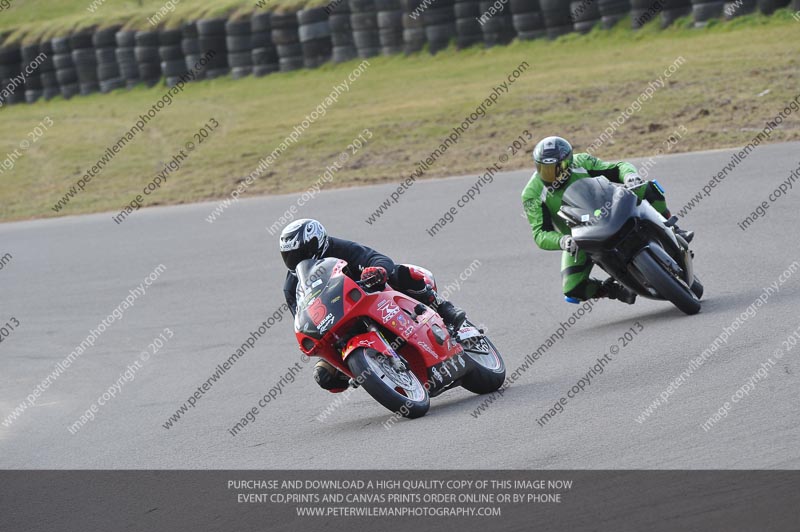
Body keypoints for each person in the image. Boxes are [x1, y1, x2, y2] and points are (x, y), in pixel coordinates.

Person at [279, 218, 466, 392]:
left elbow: (377, 258)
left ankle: (443, 308)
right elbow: (302, 315)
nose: (297, 260)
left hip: (369, 296)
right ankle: (370, 372)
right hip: (338, 324)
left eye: (301, 253)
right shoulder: (291, 287)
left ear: (317, 242)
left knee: (401, 272)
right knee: (324, 376)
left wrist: (377, 270)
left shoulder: (339, 248)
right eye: (290, 255)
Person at [521, 136, 694, 305]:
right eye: (544, 169)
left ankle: (674, 228)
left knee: (647, 188)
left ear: (569, 162)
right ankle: (616, 290)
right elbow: (540, 233)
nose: (551, 175)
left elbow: (618, 167)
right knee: (572, 288)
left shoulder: (581, 162)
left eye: (556, 168)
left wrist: (630, 176)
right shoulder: (532, 194)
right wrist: (562, 241)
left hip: (612, 209)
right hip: (580, 238)